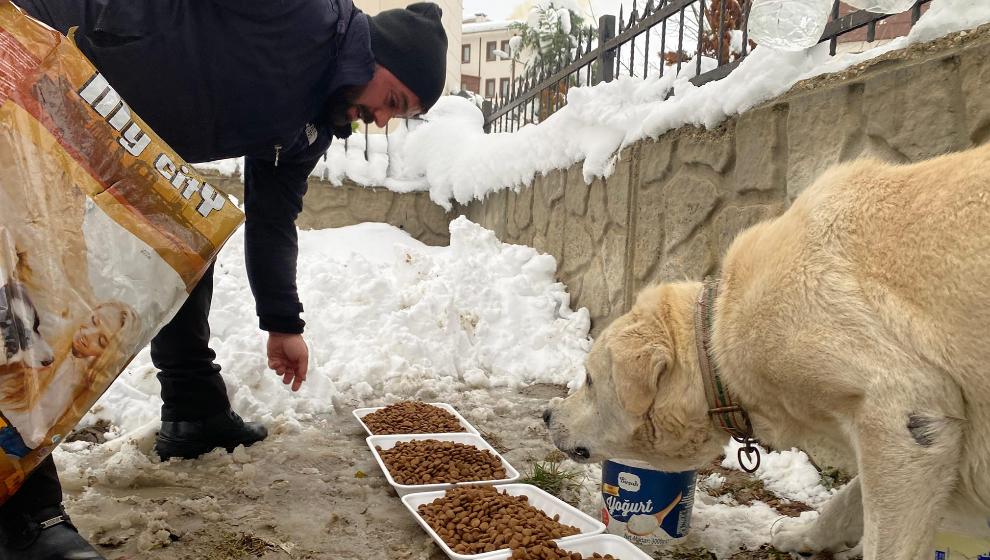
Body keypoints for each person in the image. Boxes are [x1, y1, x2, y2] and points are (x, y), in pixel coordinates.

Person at [1, 1, 448, 558]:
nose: (381, 118)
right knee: (22, 281)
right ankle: (24, 517)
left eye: (399, 115)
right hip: (50, 46)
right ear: (375, 54)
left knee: (186, 239)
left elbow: (272, 217)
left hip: (112, 129)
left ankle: (194, 409)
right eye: (394, 101)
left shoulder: (312, 127)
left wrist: (284, 323)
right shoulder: (302, 16)